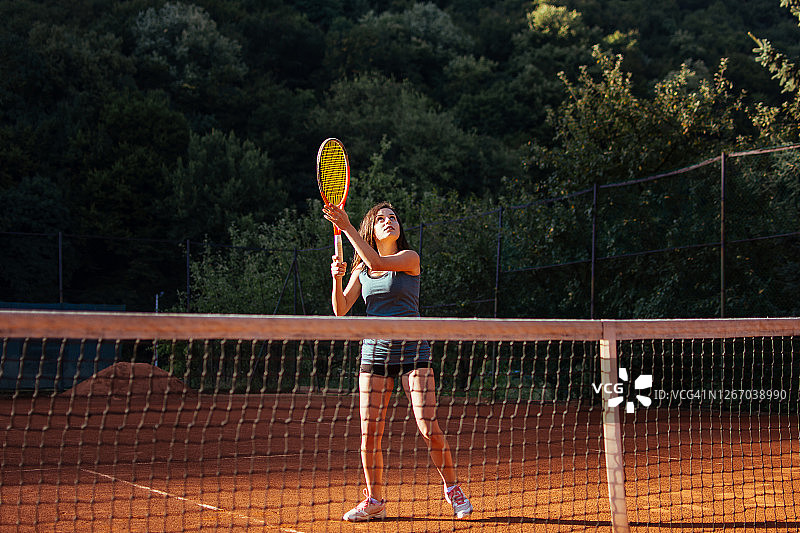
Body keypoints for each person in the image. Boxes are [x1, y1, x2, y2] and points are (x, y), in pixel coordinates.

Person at [323, 201, 473, 522]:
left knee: (427, 426)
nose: (389, 221)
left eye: (393, 217)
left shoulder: (409, 259)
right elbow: (340, 309)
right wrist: (337, 278)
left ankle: (452, 489)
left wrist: (346, 226)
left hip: (413, 352)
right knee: (369, 433)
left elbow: (376, 258)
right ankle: (374, 500)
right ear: (372, 230)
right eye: (381, 219)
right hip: (374, 354)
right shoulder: (361, 270)